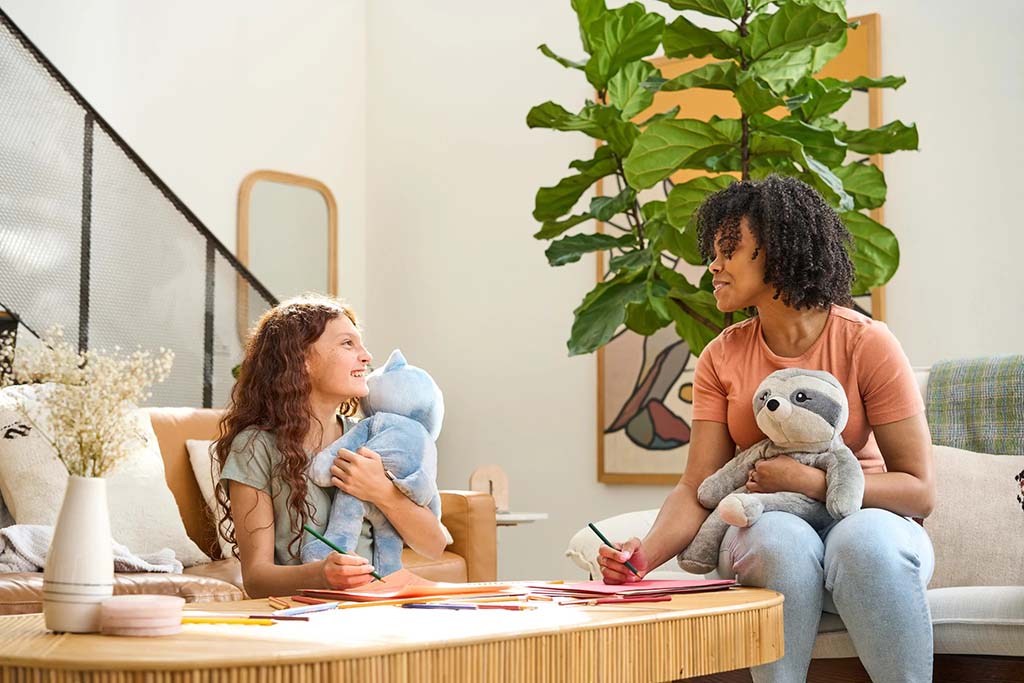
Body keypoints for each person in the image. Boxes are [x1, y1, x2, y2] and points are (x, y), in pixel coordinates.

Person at [598, 176, 935, 683]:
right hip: (767, 519)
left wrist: (814, 484)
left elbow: (919, 490)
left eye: (728, 250)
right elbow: (698, 486)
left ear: (776, 252)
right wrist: (643, 555)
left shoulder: (867, 343)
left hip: (866, 515)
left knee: (862, 544)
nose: (713, 266)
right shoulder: (721, 355)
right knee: (777, 537)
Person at [213, 295, 446, 598]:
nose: (366, 356)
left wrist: (382, 491)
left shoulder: (373, 437)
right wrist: (321, 575)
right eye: (347, 344)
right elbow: (257, 579)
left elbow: (434, 544)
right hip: (310, 612)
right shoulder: (255, 447)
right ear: (303, 361)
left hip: (380, 604)